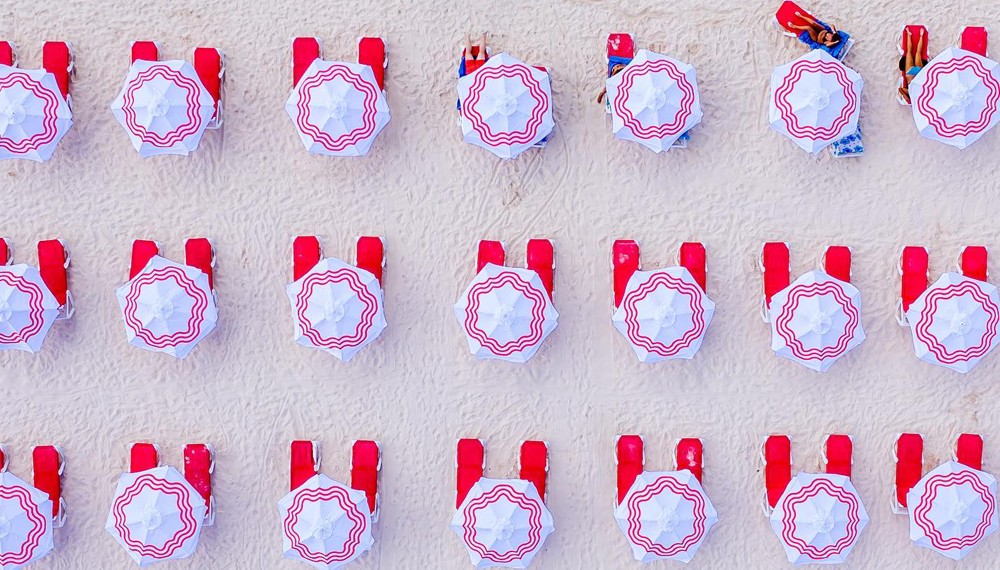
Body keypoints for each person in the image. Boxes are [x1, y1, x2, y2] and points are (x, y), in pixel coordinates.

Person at [786, 11, 851, 58]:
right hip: (822, 30)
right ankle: (801, 16)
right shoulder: (834, 34)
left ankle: (794, 26)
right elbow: (832, 25)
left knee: (809, 28)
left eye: (829, 37)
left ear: (830, 41)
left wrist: (835, 42)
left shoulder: (828, 42)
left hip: (816, 37)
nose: (828, 35)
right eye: (830, 35)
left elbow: (829, 44)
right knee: (814, 23)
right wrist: (834, 31)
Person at [898, 28, 926, 105]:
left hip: (918, 72)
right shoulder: (910, 93)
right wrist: (905, 95)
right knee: (909, 52)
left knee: (918, 52)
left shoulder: (922, 93)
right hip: (910, 73)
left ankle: (921, 35)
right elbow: (900, 89)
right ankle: (909, 34)